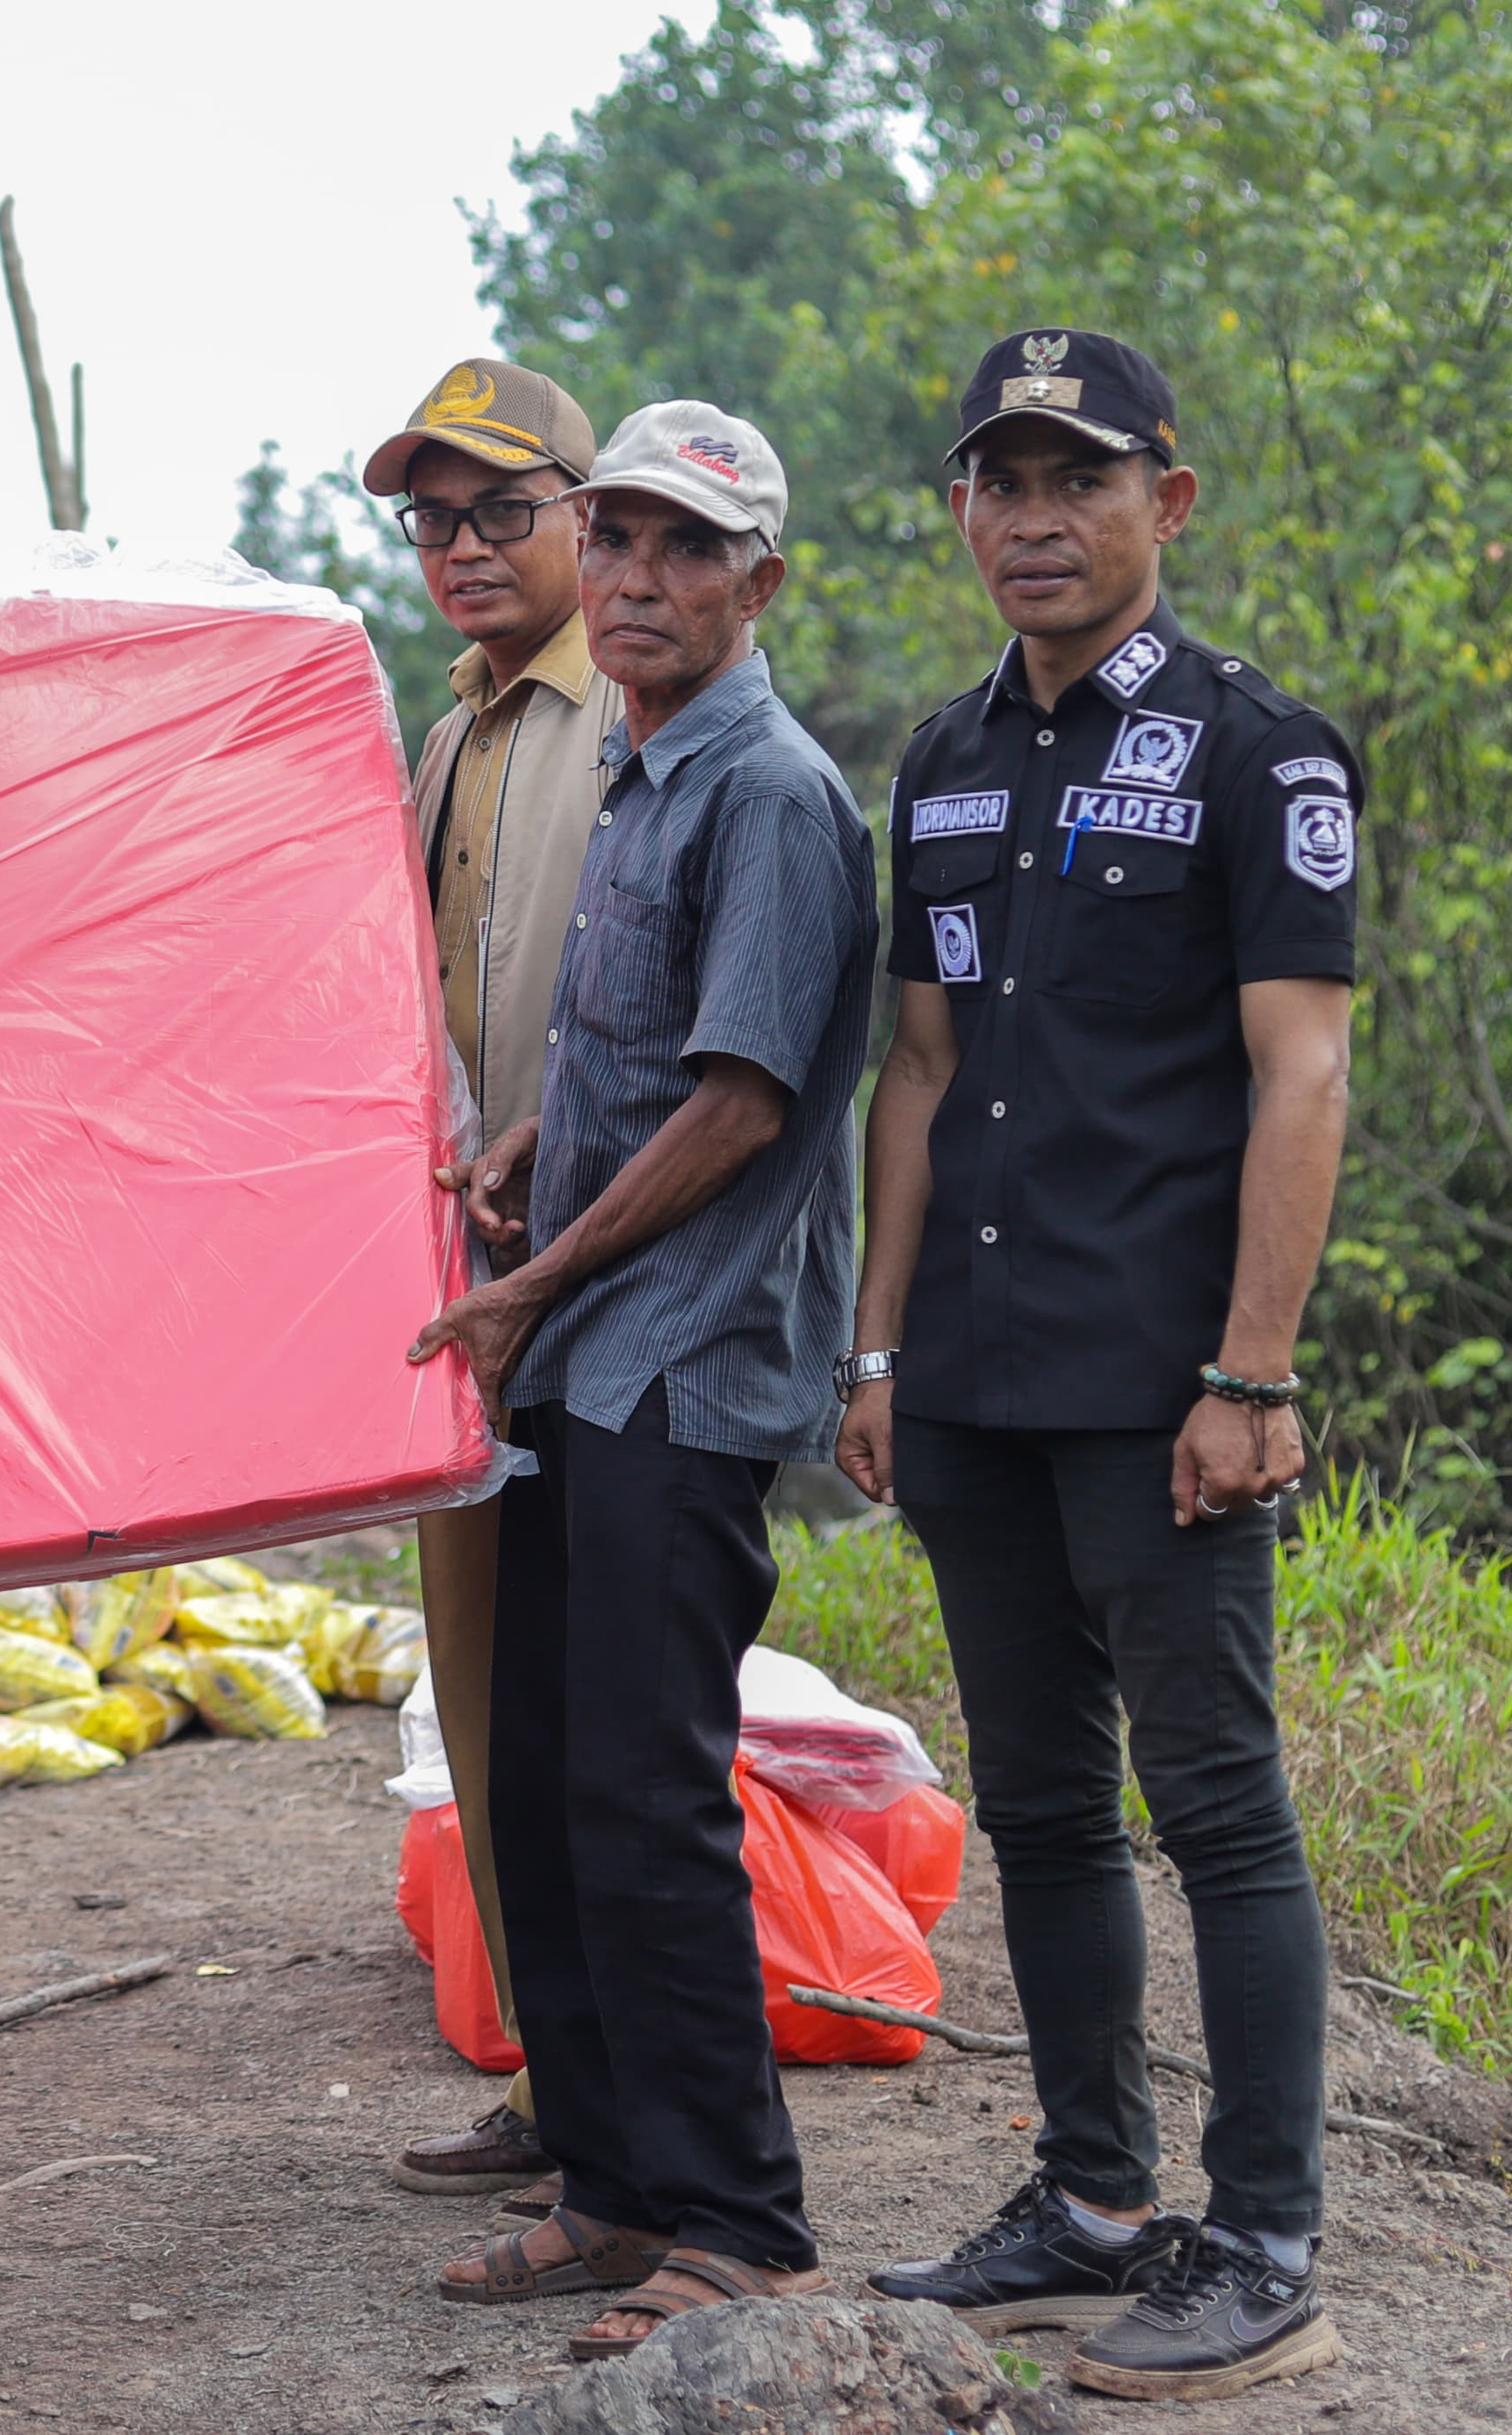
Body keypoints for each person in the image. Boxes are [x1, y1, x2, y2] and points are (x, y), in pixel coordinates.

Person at [841, 330, 1351, 2403]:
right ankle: (1088, 2197)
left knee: (1214, 1805)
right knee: (1042, 1805)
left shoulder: (1258, 750)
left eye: (1078, 479)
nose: (1033, 519)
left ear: (1169, 499)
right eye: (999, 482)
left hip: (1162, 1387)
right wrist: (875, 1343)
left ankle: (1265, 2234)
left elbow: (1296, 1069)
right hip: (966, 1370)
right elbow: (922, 1067)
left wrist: (1251, 1366)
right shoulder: (944, 758)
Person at [408, 403, 875, 2360]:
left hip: (681, 1366)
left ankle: (740, 2218)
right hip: (592, 1352)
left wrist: (545, 1279)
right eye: (611, 544)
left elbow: (742, 1102)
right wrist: (531, 1155)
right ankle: (606, 2183)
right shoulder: (638, 770)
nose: (631, 582)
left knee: (651, 1796)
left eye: (683, 551)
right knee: (555, 1777)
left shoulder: (764, 785)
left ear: (758, 582)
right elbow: (625, 1067)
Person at [360, 357, 623, 2215]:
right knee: (481, 1689)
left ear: (587, 521)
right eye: (429, 520)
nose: (458, 548)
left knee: (603, 1702)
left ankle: (634, 2108)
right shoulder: (447, 729)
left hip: (609, 1281)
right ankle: (549, 2069)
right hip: (460, 1288)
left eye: (497, 511)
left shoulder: (640, 707)